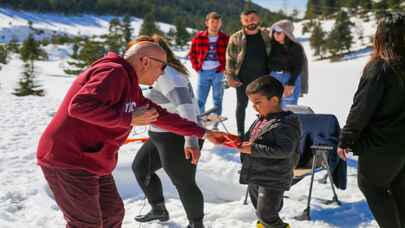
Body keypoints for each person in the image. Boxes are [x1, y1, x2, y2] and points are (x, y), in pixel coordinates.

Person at [37, 42, 225, 228]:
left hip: (93, 160)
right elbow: (80, 106)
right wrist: (128, 118)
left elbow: (159, 116)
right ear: (145, 61)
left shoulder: (130, 85)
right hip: (68, 159)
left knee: (112, 213)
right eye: (162, 66)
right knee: (87, 223)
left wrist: (204, 132)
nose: (162, 72)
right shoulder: (113, 72)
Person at [337, 13, 405, 228]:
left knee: (372, 187)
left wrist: (345, 139)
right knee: (400, 190)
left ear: (381, 36)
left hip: (382, 144)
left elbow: (362, 108)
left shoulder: (380, 67)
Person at [131, 35, 205, 228]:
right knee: (141, 169)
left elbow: (187, 109)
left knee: (183, 182)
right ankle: (159, 209)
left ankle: (196, 224)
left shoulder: (169, 76)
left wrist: (191, 142)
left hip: (179, 136)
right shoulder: (153, 73)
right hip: (160, 135)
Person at [238, 76, 300, 228]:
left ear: (274, 100)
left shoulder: (285, 123)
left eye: (258, 102)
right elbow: (249, 138)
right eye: (253, 103)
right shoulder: (261, 119)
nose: (254, 107)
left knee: (266, 214)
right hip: (256, 173)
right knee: (262, 213)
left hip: (274, 176)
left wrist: (251, 149)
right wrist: (233, 140)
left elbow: (284, 151)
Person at [225, 9, 272, 137]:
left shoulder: (267, 35)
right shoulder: (236, 37)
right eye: (246, 20)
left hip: (263, 78)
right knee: (241, 105)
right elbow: (230, 58)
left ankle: (265, 132)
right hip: (243, 79)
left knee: (265, 106)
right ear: (242, 21)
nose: (250, 22)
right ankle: (241, 133)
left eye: (253, 18)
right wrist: (230, 76)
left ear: (258, 19)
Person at [189, 12, 229, 129]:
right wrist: (197, 67)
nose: (215, 25)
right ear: (207, 23)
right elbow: (192, 54)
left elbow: (229, 55)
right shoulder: (199, 37)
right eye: (212, 22)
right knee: (200, 100)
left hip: (218, 73)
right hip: (203, 73)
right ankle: (202, 123)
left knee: (217, 100)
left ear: (221, 24)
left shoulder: (225, 38)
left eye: (218, 22)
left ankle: (215, 124)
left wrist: (223, 68)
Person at [268, 19, 309, 109]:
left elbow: (298, 67)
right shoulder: (272, 46)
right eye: (274, 32)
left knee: (288, 108)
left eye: (279, 32)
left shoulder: (296, 47)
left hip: (290, 78)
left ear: (286, 33)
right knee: (273, 108)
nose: (276, 35)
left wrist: (290, 84)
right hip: (273, 78)